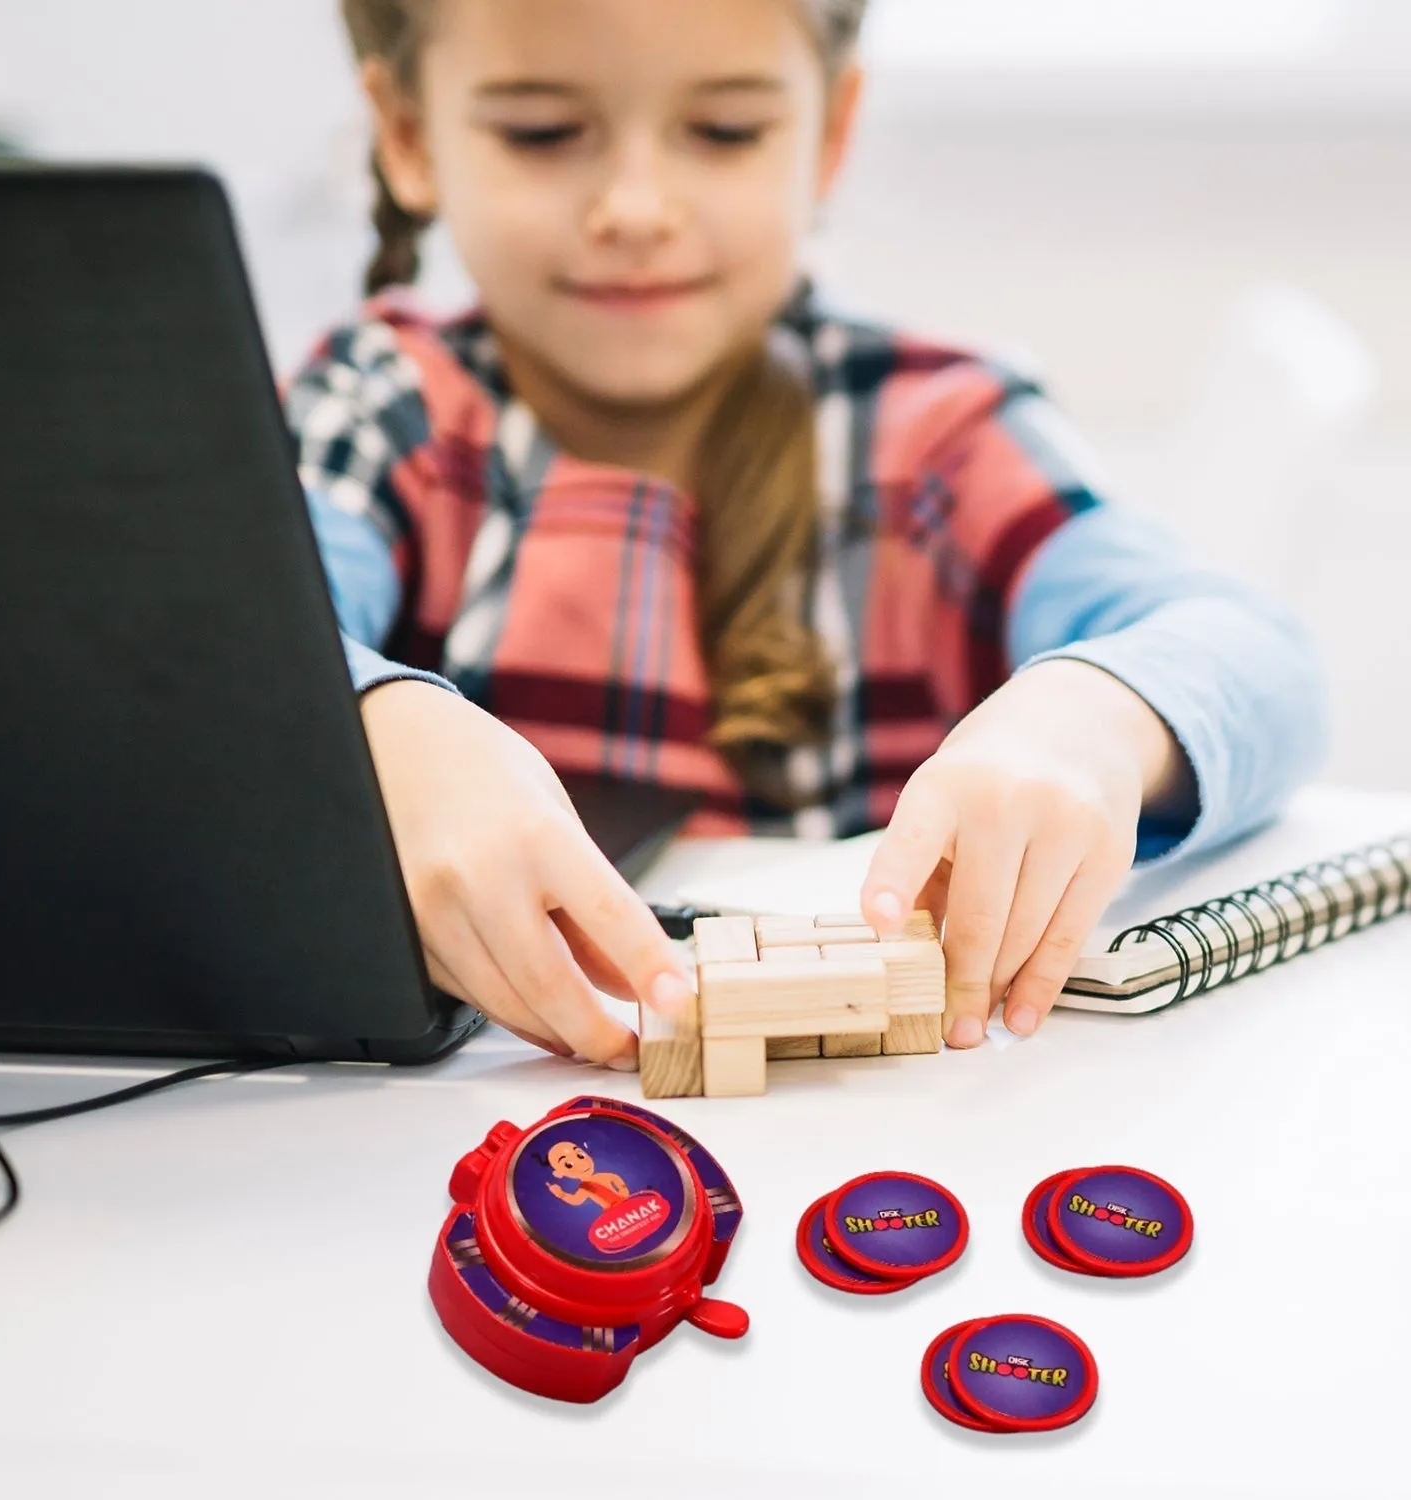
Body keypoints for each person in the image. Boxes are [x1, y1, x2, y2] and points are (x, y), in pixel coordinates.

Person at [283, 0, 1327, 1068]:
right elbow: (215, 661)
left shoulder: (939, 435)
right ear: (407, 135)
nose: (636, 209)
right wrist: (376, 719)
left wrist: (1099, 719)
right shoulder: (378, 408)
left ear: (830, 131)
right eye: (543, 133)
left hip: (882, 1139)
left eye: (726, 132)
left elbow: (1259, 655)